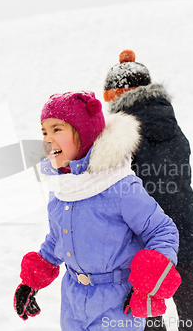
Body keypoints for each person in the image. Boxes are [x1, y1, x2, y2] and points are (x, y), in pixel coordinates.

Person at [14, 91, 182, 330]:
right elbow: (57, 238)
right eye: (44, 132)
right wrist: (32, 282)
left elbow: (163, 231)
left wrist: (146, 282)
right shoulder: (62, 188)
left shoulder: (120, 187)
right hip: (73, 301)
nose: (48, 139)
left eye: (57, 129)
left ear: (83, 134)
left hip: (116, 304)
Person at [103, 50, 193, 331]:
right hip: (185, 231)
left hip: (146, 238)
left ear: (118, 97)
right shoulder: (172, 125)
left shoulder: (123, 135)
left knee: (147, 313)